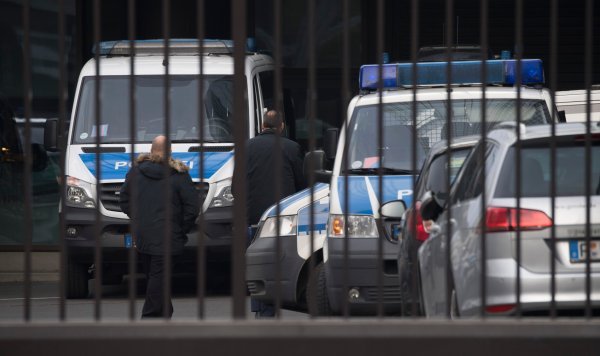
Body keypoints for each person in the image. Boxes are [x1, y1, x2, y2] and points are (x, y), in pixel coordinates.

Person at [234, 110, 306, 318]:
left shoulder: (245, 148)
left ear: (262, 125)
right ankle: (274, 308)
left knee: (258, 266)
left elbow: (235, 188)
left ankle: (263, 310)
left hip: (253, 219)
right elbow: (303, 186)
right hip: (284, 220)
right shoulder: (291, 148)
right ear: (281, 126)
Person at [119, 135, 199, 318]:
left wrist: (139, 219)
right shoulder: (179, 174)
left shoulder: (135, 172)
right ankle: (150, 317)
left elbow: (124, 200)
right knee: (158, 277)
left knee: (154, 276)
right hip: (168, 236)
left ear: (151, 150)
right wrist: (180, 228)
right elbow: (192, 207)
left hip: (144, 235)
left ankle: (164, 313)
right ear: (170, 151)